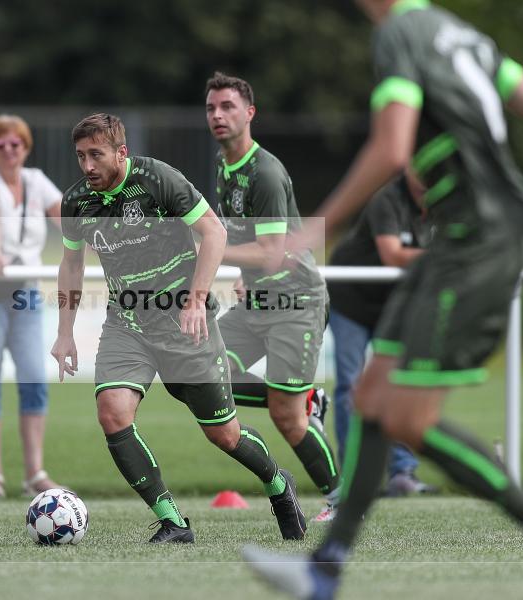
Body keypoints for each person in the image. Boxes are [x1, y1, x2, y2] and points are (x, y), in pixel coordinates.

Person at [243, 1, 523, 598]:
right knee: (373, 396)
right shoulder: (459, 33)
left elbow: (391, 148)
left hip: (476, 241)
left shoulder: (398, 32)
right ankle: (325, 571)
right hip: (468, 235)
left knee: (408, 417)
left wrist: (313, 228)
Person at [52, 112, 306, 543]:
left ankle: (279, 485)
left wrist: (196, 299)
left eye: (96, 155)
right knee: (112, 413)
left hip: (184, 323)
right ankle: (173, 520)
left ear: (121, 152)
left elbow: (214, 234)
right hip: (127, 322)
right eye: (80, 156)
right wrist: (64, 332)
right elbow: (71, 265)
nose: (87, 166)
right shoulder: (77, 202)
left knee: (223, 434)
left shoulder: (157, 179)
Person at [205, 72, 341, 522]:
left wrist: (212, 251)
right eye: (211, 108)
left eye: (228, 106)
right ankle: (303, 397)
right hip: (257, 303)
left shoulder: (263, 172)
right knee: (201, 371)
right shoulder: (224, 167)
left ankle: (341, 501)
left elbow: (270, 252)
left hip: (296, 303)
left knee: (287, 419)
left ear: (250, 113)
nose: (218, 115)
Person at [0, 114, 63, 498]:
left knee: (34, 376)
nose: (8, 151)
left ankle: (35, 472)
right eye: (0, 145)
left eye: (14, 144)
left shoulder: (35, 181)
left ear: (25, 147)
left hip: (24, 291)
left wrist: (94, 242)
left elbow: (64, 215)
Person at [327, 170, 437, 496]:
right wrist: (446, 257)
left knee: (401, 384)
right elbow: (393, 254)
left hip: (393, 304)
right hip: (350, 298)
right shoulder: (387, 199)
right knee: (351, 384)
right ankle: (354, 477)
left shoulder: (447, 201)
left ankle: (402, 473)